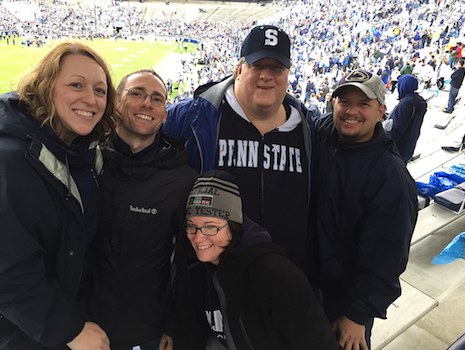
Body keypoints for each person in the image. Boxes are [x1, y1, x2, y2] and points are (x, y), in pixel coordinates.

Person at [164, 25, 314, 277]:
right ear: (240, 68)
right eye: (258, 66)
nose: (267, 75)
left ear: (288, 73)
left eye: (276, 67)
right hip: (207, 282)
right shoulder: (191, 118)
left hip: (286, 283)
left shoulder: (310, 130)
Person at [0, 42, 117, 349]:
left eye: (100, 90)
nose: (90, 99)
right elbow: (9, 271)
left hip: (69, 312)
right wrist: (68, 330)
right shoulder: (9, 158)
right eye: (76, 85)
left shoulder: (83, 151)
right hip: (25, 331)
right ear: (46, 86)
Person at [159, 170, 340, 350]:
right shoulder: (195, 265)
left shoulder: (275, 275)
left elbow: (319, 343)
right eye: (192, 226)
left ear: (234, 226)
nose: (198, 238)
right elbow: (189, 323)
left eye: (210, 227)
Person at [82, 69, 198, 349]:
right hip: (79, 323)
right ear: (116, 102)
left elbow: (189, 262)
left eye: (157, 99)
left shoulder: (182, 180)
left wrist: (176, 323)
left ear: (165, 113)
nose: (147, 103)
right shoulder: (83, 161)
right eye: (136, 93)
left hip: (145, 329)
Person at [310, 69, 419, 350]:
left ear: (382, 111)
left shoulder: (390, 177)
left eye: (363, 104)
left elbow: (388, 255)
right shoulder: (322, 133)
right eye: (344, 101)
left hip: (344, 304)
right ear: (332, 103)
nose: (351, 111)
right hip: (308, 284)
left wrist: (358, 314)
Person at [385, 74, 427, 164]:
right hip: (409, 145)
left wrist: (386, 145)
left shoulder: (406, 103)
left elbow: (397, 128)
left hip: (397, 148)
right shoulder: (419, 101)